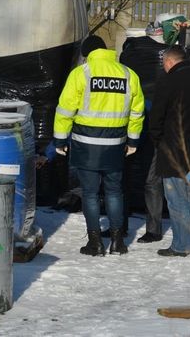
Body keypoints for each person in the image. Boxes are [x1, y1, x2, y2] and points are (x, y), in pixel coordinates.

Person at [53, 35, 145, 256]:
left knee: (90, 193)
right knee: (114, 191)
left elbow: (65, 109)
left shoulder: (81, 73)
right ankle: (117, 241)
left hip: (86, 145)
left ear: (88, 53)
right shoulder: (127, 74)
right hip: (116, 144)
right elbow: (137, 111)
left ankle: (95, 242)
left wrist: (60, 139)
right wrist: (133, 140)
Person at [148, 45, 190, 257]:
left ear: (169, 62)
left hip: (171, 148)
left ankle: (181, 245)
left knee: (176, 199)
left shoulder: (167, 81)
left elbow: (156, 116)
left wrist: (158, 140)